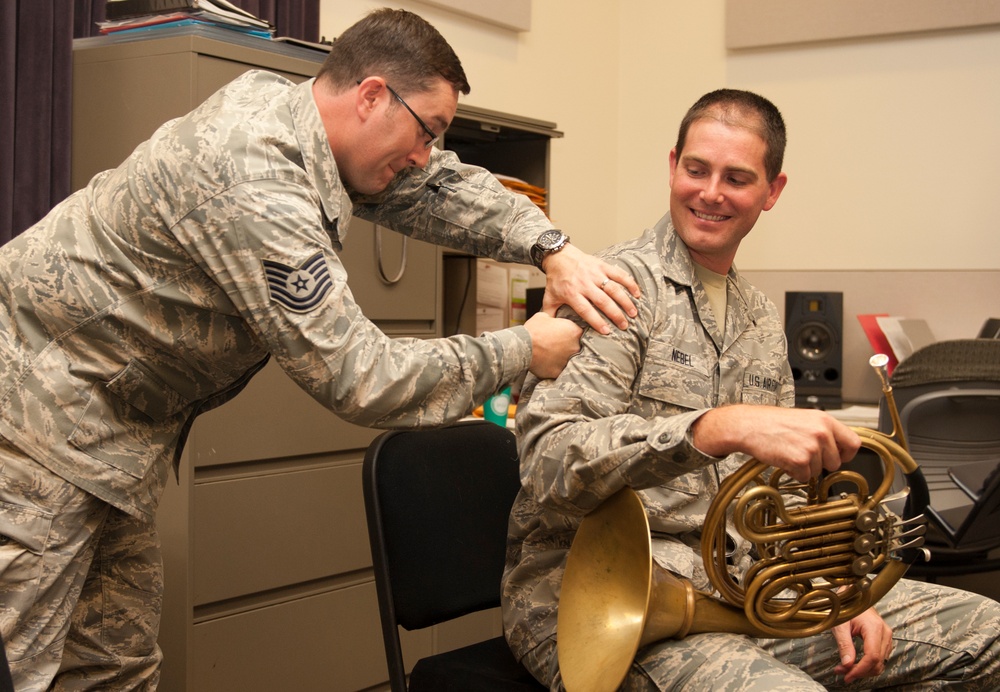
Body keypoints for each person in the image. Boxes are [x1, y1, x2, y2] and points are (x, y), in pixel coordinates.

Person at [0, 8, 642, 690]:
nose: (426, 153)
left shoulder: (304, 124)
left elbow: (439, 187)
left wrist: (553, 248)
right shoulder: (254, 180)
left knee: (113, 668)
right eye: (428, 130)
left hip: (114, 434)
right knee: (18, 663)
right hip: (35, 420)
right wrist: (523, 349)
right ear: (371, 95)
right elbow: (360, 377)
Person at [502, 89, 1000, 690]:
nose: (710, 193)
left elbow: (781, 500)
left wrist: (837, 588)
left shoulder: (762, 319)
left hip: (744, 590)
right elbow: (548, 462)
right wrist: (714, 427)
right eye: (696, 169)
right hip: (601, 602)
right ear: (672, 165)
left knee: (988, 635)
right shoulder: (612, 288)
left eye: (736, 177)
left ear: (772, 191)